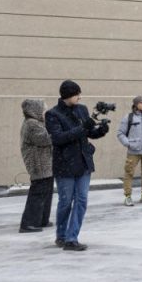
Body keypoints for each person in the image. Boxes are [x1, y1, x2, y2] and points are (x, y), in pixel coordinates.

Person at [45, 80, 109, 251]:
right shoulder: (53, 114)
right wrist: (83, 128)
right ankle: (61, 235)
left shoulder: (82, 109)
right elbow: (58, 138)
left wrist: (100, 130)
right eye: (76, 94)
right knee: (66, 201)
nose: (79, 97)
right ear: (67, 95)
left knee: (81, 200)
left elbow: (87, 133)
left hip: (83, 161)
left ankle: (72, 238)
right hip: (65, 163)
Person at [19, 99, 53, 233]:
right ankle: (28, 223)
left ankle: (42, 219)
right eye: (44, 109)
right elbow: (46, 139)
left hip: (45, 164)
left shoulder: (37, 123)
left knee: (46, 192)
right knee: (38, 193)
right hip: (38, 164)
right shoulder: (32, 124)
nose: (46, 112)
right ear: (36, 110)